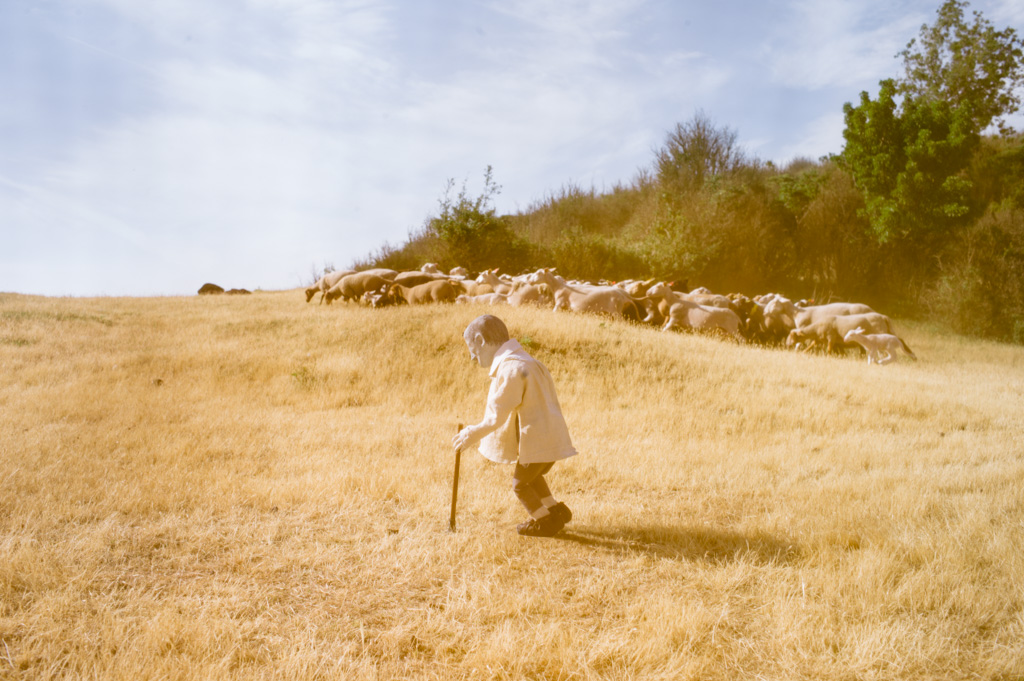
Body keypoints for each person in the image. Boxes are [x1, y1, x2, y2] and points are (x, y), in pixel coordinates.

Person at [453, 314, 577, 537]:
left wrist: (472, 433)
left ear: (481, 340)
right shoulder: (528, 362)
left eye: (472, 349)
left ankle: (544, 521)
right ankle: (555, 509)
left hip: (537, 441)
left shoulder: (512, 369)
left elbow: (496, 416)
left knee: (519, 485)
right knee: (533, 478)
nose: (472, 357)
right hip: (551, 438)